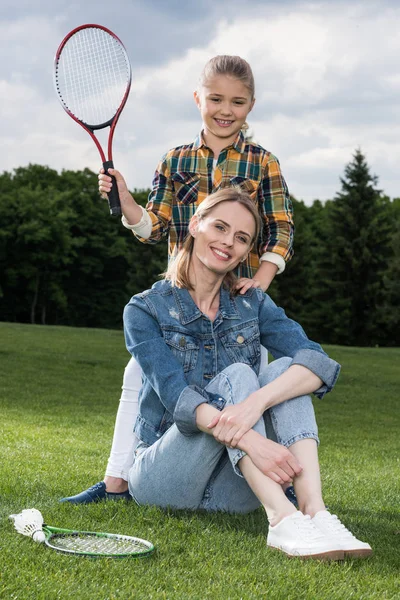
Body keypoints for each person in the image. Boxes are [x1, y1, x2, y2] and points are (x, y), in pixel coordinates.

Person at [61, 55, 295, 504]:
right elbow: (154, 227)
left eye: (238, 102)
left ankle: (275, 483)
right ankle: (117, 483)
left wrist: (261, 279)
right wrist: (127, 201)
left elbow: (282, 228)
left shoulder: (263, 163)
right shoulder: (175, 159)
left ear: (251, 106)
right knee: (139, 375)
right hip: (182, 307)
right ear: (197, 99)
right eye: (215, 99)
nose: (226, 110)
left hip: (237, 312)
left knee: (254, 385)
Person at [119, 189, 372, 559]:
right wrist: (255, 442)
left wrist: (256, 404)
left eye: (241, 238)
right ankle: (281, 517)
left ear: (248, 250)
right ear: (194, 225)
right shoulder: (145, 309)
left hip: (233, 489)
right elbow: (179, 399)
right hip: (164, 477)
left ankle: (315, 511)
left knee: (288, 369)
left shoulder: (252, 302)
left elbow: (318, 363)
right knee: (238, 374)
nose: (228, 243)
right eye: (219, 227)